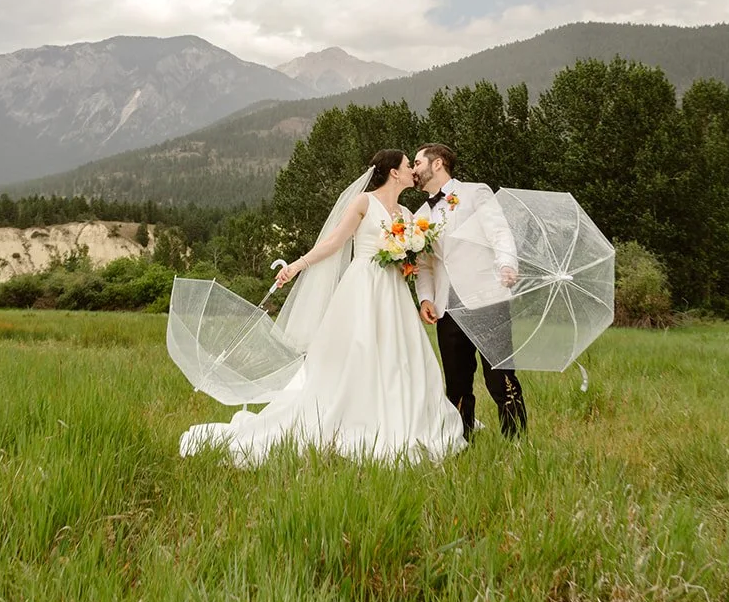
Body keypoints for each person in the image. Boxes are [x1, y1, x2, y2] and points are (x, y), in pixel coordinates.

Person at [179, 150, 465, 466]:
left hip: (393, 293)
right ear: (394, 172)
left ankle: (398, 416)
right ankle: (351, 418)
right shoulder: (363, 203)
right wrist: (296, 266)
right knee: (357, 353)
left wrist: (406, 261)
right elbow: (333, 243)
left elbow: (412, 260)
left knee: (397, 356)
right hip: (362, 289)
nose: (413, 169)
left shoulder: (408, 214)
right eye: (408, 165)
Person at [411, 143, 528, 439]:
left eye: (417, 163)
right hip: (447, 307)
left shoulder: (475, 193)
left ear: (437, 164)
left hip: (486, 297)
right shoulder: (419, 215)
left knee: (500, 377)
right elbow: (424, 264)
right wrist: (425, 297)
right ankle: (461, 441)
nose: (413, 170)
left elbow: (499, 231)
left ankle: (516, 441)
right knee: (457, 382)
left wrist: (506, 263)